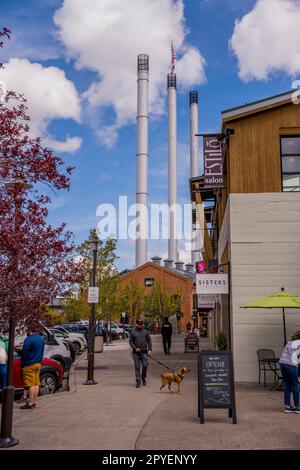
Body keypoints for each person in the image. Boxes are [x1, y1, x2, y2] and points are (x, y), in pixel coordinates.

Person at [17, 324, 45, 409]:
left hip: (29, 364)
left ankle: (30, 403)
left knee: (30, 385)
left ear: (29, 330)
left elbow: (24, 353)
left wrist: (19, 351)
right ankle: (34, 402)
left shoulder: (28, 339)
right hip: (38, 363)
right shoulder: (41, 339)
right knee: (36, 383)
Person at [279, 330, 300, 413]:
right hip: (291, 365)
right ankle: (298, 407)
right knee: (295, 385)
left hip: (282, 363)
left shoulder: (289, 342)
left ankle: (287, 407)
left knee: (287, 385)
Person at [129, 319, 152, 388]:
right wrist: (135, 348)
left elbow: (149, 340)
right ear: (137, 325)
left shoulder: (145, 331)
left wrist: (150, 350)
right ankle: (138, 380)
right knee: (137, 366)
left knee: (145, 365)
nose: (141, 326)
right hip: (136, 353)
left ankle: (143, 377)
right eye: (140, 325)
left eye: (142, 325)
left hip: (144, 352)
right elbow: (131, 342)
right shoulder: (133, 332)